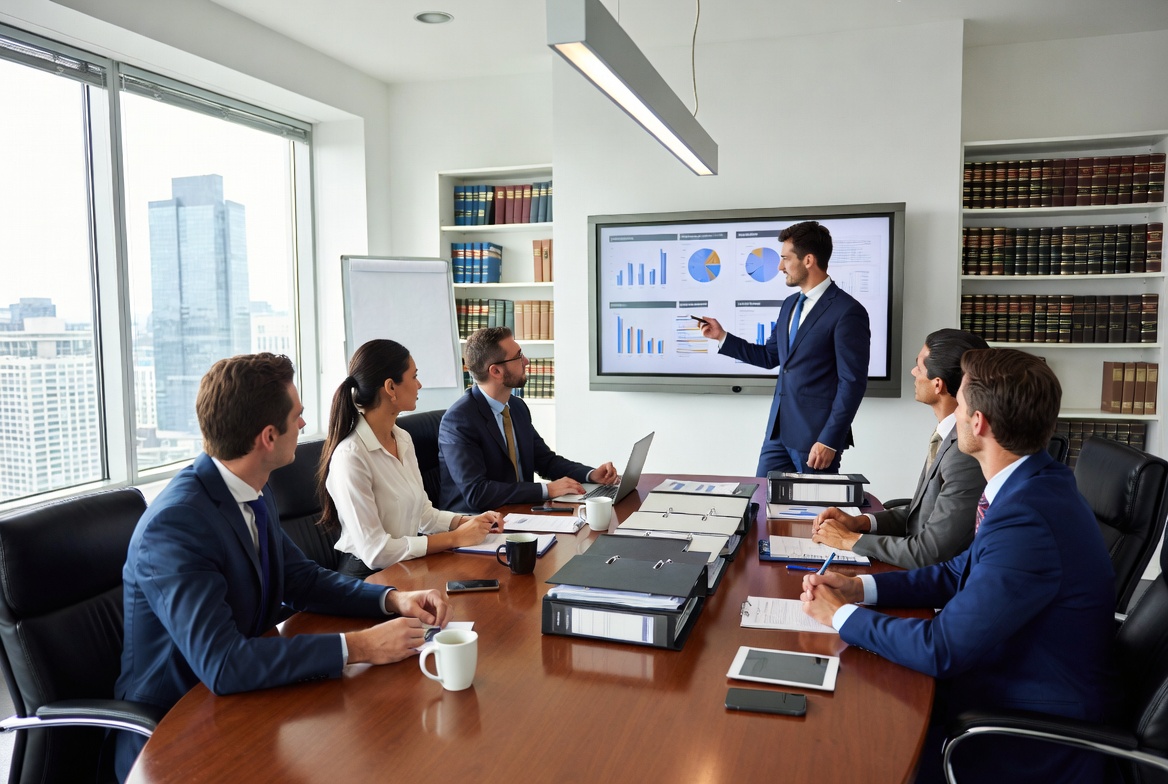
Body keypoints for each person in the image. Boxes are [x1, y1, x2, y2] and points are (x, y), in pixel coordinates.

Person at [115, 354, 451, 781]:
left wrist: (392, 599)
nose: (306, 427)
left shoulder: (253, 489)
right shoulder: (176, 525)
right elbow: (223, 664)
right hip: (177, 733)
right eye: (298, 417)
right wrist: (361, 647)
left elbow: (302, 579)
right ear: (269, 437)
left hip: (248, 704)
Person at [800, 348, 1114, 783]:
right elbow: (956, 572)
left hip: (1022, 724)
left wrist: (839, 615)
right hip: (1006, 675)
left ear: (979, 423)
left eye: (961, 405)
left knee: (842, 737)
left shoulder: (1028, 518)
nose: (955, 415)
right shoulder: (1034, 485)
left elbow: (940, 649)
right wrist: (862, 591)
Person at [318, 339, 503, 578]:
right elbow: (376, 552)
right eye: (414, 376)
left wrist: (470, 521)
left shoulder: (402, 438)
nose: (419, 384)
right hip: (368, 578)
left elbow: (423, 515)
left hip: (406, 567)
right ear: (390, 388)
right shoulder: (351, 456)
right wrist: (455, 538)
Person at [697, 221, 870, 475]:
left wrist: (829, 439)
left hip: (816, 440)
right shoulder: (789, 304)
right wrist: (722, 336)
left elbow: (852, 382)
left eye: (785, 258)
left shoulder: (847, 311)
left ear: (808, 260)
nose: (780, 266)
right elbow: (770, 357)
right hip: (777, 434)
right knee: (759, 503)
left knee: (813, 512)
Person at [811, 329, 988, 568]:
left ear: (938, 384)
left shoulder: (965, 453)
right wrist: (860, 522)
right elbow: (919, 516)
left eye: (919, 367)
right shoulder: (947, 436)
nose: (913, 372)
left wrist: (850, 540)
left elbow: (931, 552)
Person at [439, 327, 618, 511]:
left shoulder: (516, 407)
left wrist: (590, 474)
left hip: (519, 513)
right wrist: (546, 490)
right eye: (518, 356)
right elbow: (477, 493)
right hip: (475, 523)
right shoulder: (458, 421)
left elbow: (546, 461)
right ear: (496, 372)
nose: (526, 361)